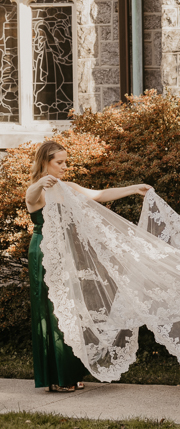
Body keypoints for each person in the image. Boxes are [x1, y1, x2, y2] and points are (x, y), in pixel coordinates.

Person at [25, 141, 152, 392]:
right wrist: (40, 182)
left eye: (65, 162)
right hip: (44, 253)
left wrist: (134, 189)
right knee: (51, 312)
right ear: (44, 162)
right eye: (58, 162)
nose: (64, 167)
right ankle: (57, 377)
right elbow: (29, 199)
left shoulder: (67, 187)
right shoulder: (38, 191)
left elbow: (100, 194)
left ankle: (70, 372)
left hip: (67, 253)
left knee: (73, 310)